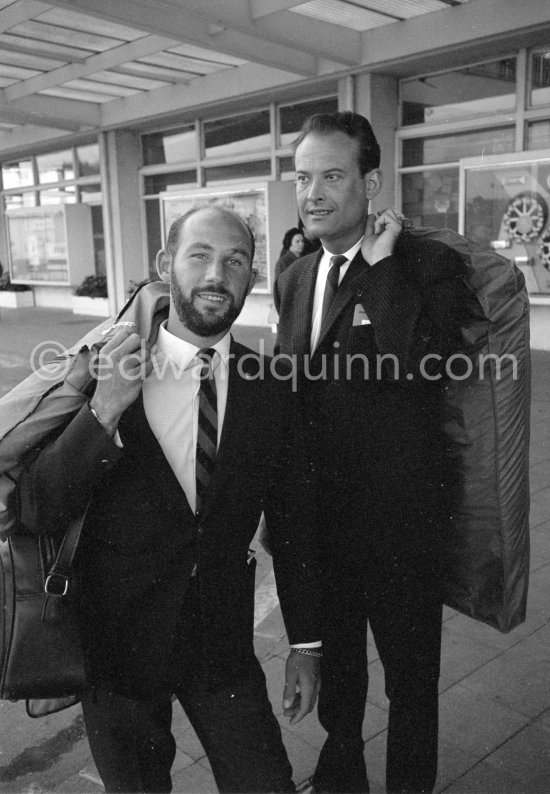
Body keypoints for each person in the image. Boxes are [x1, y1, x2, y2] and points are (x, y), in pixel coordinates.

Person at [17, 206, 321, 794]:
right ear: (166, 266)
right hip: (116, 650)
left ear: (252, 278)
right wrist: (104, 410)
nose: (217, 274)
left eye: (235, 261)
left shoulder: (274, 387)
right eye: (200, 255)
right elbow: (40, 507)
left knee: (266, 784)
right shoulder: (105, 370)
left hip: (221, 645)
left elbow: (293, 525)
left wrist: (307, 644)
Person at [274, 112, 472, 794]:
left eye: (332, 175)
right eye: (303, 177)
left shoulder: (426, 266)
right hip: (323, 529)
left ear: (371, 181)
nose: (314, 192)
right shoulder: (295, 276)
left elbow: (426, 369)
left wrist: (383, 273)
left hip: (401, 529)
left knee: (411, 687)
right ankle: (342, 777)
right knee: (344, 684)